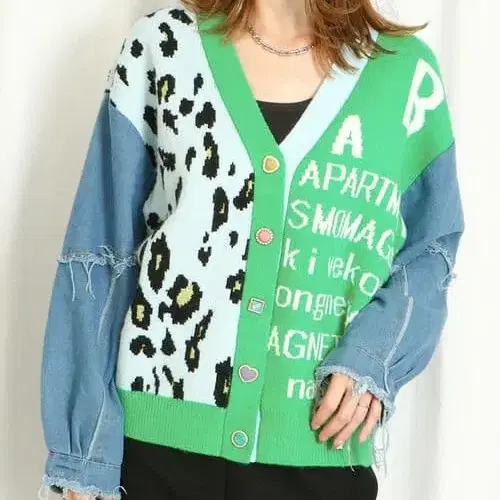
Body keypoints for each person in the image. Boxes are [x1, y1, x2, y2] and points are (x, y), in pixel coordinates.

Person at [39, 0, 465, 499]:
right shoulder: (163, 46)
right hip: (155, 449)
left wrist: (376, 357)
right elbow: (101, 247)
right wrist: (83, 454)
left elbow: (431, 250)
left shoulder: (405, 73)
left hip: (318, 448)